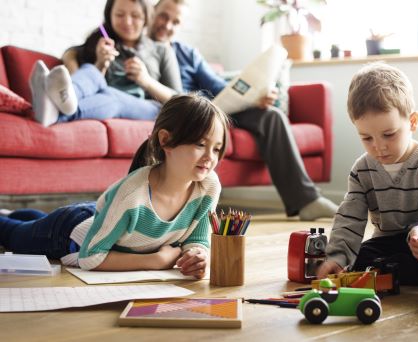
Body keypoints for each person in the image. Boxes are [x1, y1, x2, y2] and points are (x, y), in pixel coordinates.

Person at [145, 0, 338, 221]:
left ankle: (307, 200)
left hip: (213, 110)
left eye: (175, 21)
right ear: (152, 14)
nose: (167, 25)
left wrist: (255, 98)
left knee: (271, 116)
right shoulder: (141, 50)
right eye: (163, 17)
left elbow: (219, 88)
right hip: (184, 115)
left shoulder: (187, 53)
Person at [0, 93, 231, 278]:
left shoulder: (208, 187)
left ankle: (23, 215)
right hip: (67, 232)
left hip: (101, 219)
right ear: (166, 141)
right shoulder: (132, 194)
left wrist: (198, 255)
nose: (210, 157)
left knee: (32, 221)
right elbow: (91, 257)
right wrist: (154, 261)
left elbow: (198, 240)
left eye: (217, 148)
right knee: (12, 234)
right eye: (201, 144)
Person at [316, 62, 418, 311]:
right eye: (366, 138)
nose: (378, 147)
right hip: (394, 247)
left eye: (389, 134)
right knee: (361, 255)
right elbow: (350, 217)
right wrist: (338, 258)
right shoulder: (362, 170)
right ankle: (414, 276)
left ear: (413, 122)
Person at [31, 0, 183, 127]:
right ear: (109, 16)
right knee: (92, 71)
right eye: (119, 15)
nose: (127, 22)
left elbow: (179, 100)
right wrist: (100, 64)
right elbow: (72, 53)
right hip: (102, 99)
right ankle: (58, 97)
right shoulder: (100, 43)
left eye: (135, 16)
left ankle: (55, 113)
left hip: (150, 107)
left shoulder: (161, 51)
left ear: (146, 18)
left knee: (112, 95)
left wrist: (146, 81)